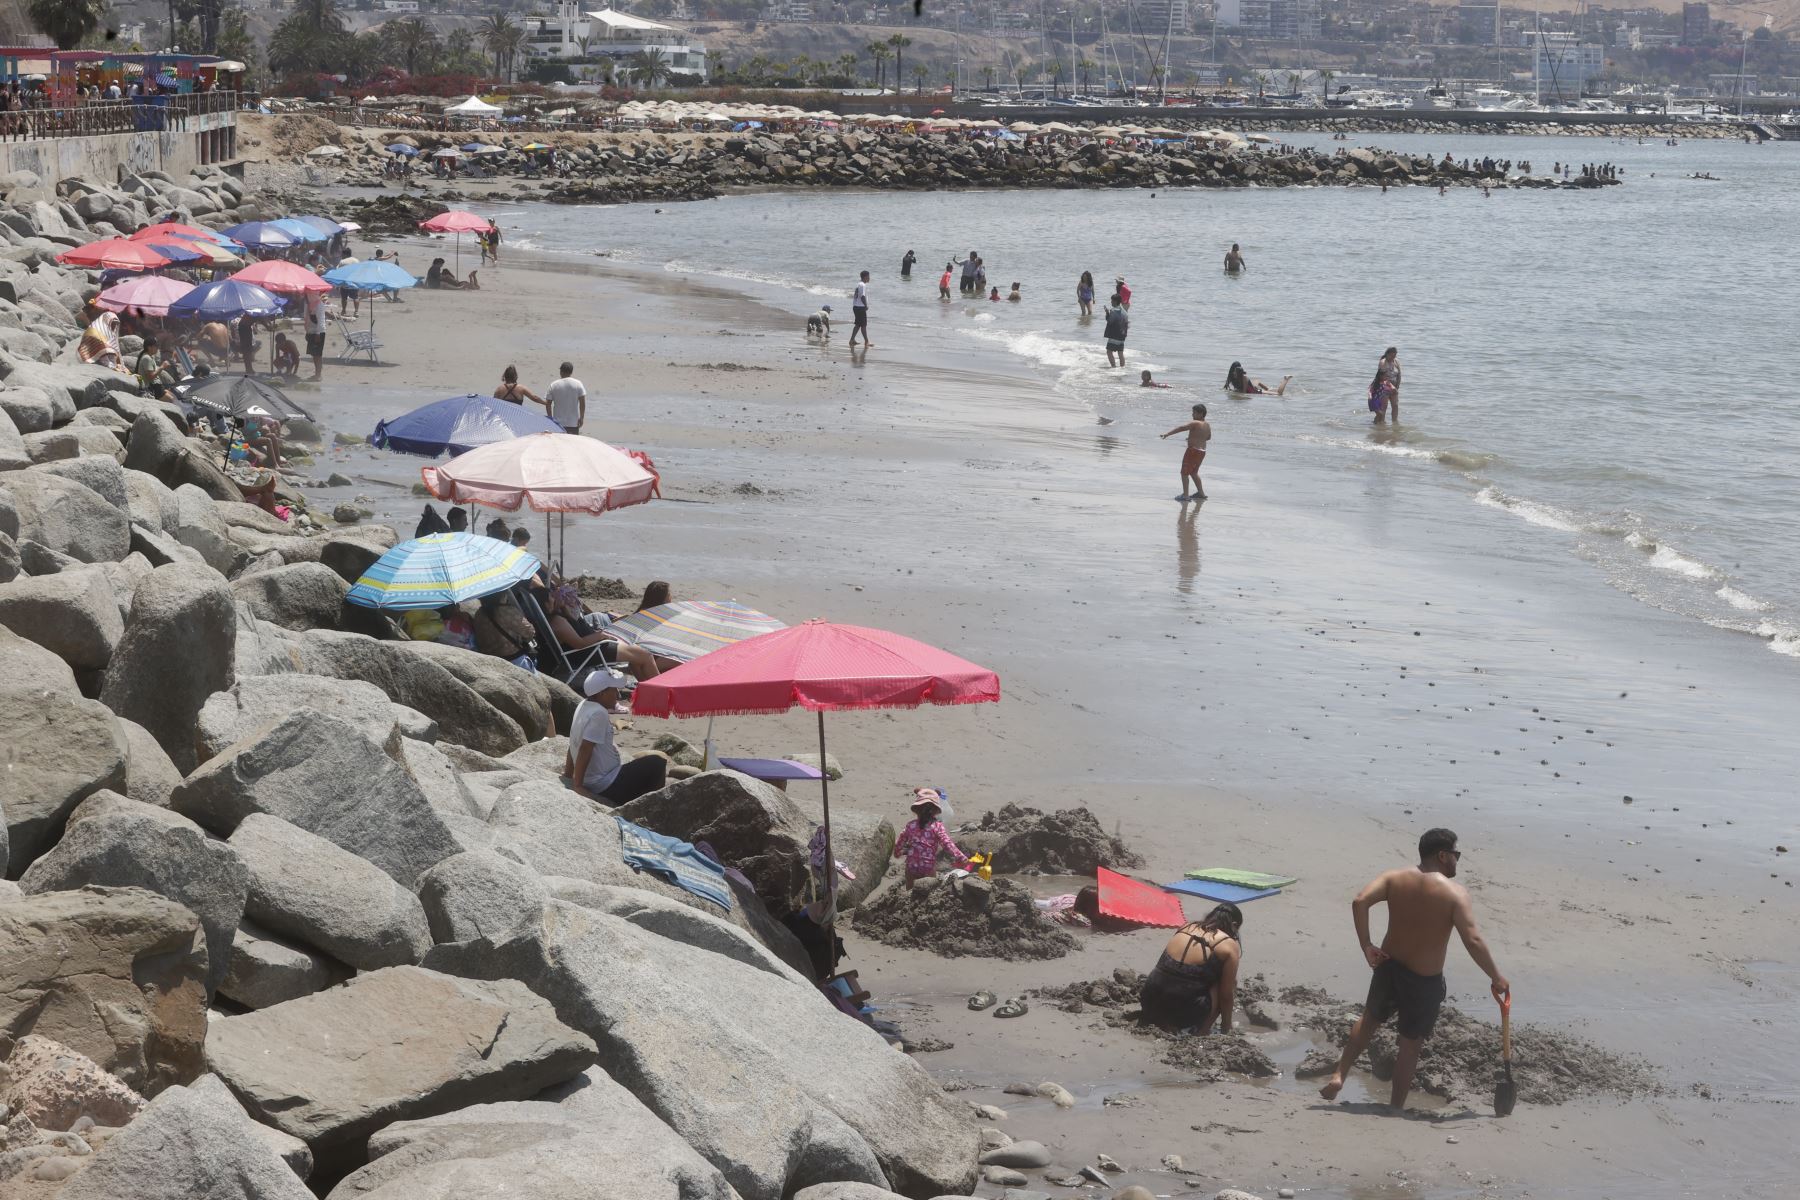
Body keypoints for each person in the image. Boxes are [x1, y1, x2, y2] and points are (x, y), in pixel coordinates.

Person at [1319, 829, 1510, 1110]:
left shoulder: (1394, 878)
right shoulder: (1455, 894)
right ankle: (1396, 1107)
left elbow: (1360, 901)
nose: (1457, 861)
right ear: (1442, 855)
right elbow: (1473, 940)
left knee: (1369, 1020)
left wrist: (1366, 945)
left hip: (1388, 966)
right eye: (1456, 855)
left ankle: (1339, 1074)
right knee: (1410, 1045)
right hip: (1424, 980)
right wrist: (1496, 976)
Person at [1138, 903, 1244, 1034]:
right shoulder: (1228, 944)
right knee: (1226, 984)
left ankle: (1162, 1021)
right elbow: (1226, 996)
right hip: (1183, 1013)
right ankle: (1201, 1032)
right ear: (1234, 925)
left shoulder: (1186, 927)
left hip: (1149, 1003)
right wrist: (1227, 1026)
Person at [565, 668, 668, 803]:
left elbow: (573, 741)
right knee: (657, 763)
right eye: (614, 690)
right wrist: (577, 785)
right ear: (602, 693)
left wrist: (568, 774)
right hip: (604, 784)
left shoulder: (583, 705)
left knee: (646, 766)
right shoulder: (599, 714)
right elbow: (585, 748)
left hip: (599, 778)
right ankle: (651, 805)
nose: (618, 695)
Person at [545, 583, 661, 682]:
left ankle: (648, 691)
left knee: (637, 654)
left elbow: (577, 625)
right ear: (546, 604)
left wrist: (565, 606)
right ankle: (663, 694)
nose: (555, 595)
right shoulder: (557, 621)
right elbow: (579, 644)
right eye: (551, 595)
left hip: (594, 645)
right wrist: (601, 635)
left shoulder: (561, 614)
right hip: (590, 651)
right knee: (646, 655)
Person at [892, 789, 971, 882]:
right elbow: (947, 844)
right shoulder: (937, 826)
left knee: (910, 889)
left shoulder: (911, 825)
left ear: (916, 810)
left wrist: (897, 853)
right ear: (936, 811)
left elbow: (901, 840)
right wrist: (961, 857)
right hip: (928, 867)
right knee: (929, 888)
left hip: (911, 866)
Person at [473, 589, 538, 670]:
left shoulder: (478, 614)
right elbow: (530, 632)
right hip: (514, 660)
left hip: (491, 663)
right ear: (501, 596)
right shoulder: (508, 611)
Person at [1159, 403, 1211, 502]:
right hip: (1202, 451)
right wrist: (1195, 437)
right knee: (1194, 473)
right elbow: (1208, 437)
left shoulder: (1195, 423)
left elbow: (1181, 428)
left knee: (1184, 473)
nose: (1192, 415)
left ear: (1200, 414)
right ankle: (1201, 493)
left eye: (1194, 413)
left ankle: (1185, 496)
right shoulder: (1207, 425)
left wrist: (1167, 434)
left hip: (1193, 450)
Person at [544, 361, 587, 435]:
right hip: (573, 423)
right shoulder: (578, 384)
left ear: (561, 371)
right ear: (571, 372)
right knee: (572, 445)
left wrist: (550, 419)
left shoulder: (553, 385)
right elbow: (582, 403)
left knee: (558, 445)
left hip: (558, 423)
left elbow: (548, 404)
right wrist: (581, 418)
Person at [1370, 346, 1401, 423]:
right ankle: (1381, 423)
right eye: (1391, 356)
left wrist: (1397, 387)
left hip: (1394, 388)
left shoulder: (1396, 361)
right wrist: (1392, 387)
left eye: (1395, 356)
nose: (1393, 358)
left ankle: (1395, 422)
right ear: (1387, 354)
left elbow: (1399, 374)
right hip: (1384, 387)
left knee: (1395, 405)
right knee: (1384, 406)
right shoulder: (1383, 362)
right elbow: (1383, 377)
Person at [1225, 362, 1291, 396]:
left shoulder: (1244, 378)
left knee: (1279, 394)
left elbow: (1244, 392)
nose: (1233, 374)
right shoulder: (1239, 379)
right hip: (1256, 391)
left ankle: (1285, 379)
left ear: (1238, 373)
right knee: (1274, 391)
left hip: (1258, 392)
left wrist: (1235, 392)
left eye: (1234, 373)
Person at [1102, 295, 1129, 368]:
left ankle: (1113, 367)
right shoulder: (1125, 312)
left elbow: (1110, 322)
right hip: (1122, 335)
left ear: (1115, 301)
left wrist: (1107, 313)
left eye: (1112, 301)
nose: (1111, 302)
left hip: (1114, 335)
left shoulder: (1113, 311)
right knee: (1120, 353)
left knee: (1109, 351)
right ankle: (1122, 368)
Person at [848, 270, 872, 349]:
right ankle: (866, 341)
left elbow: (856, 296)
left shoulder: (859, 284)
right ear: (865, 277)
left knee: (858, 325)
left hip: (856, 306)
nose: (869, 278)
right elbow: (862, 296)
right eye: (868, 276)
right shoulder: (862, 285)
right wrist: (866, 305)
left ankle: (852, 340)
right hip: (860, 307)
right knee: (863, 325)